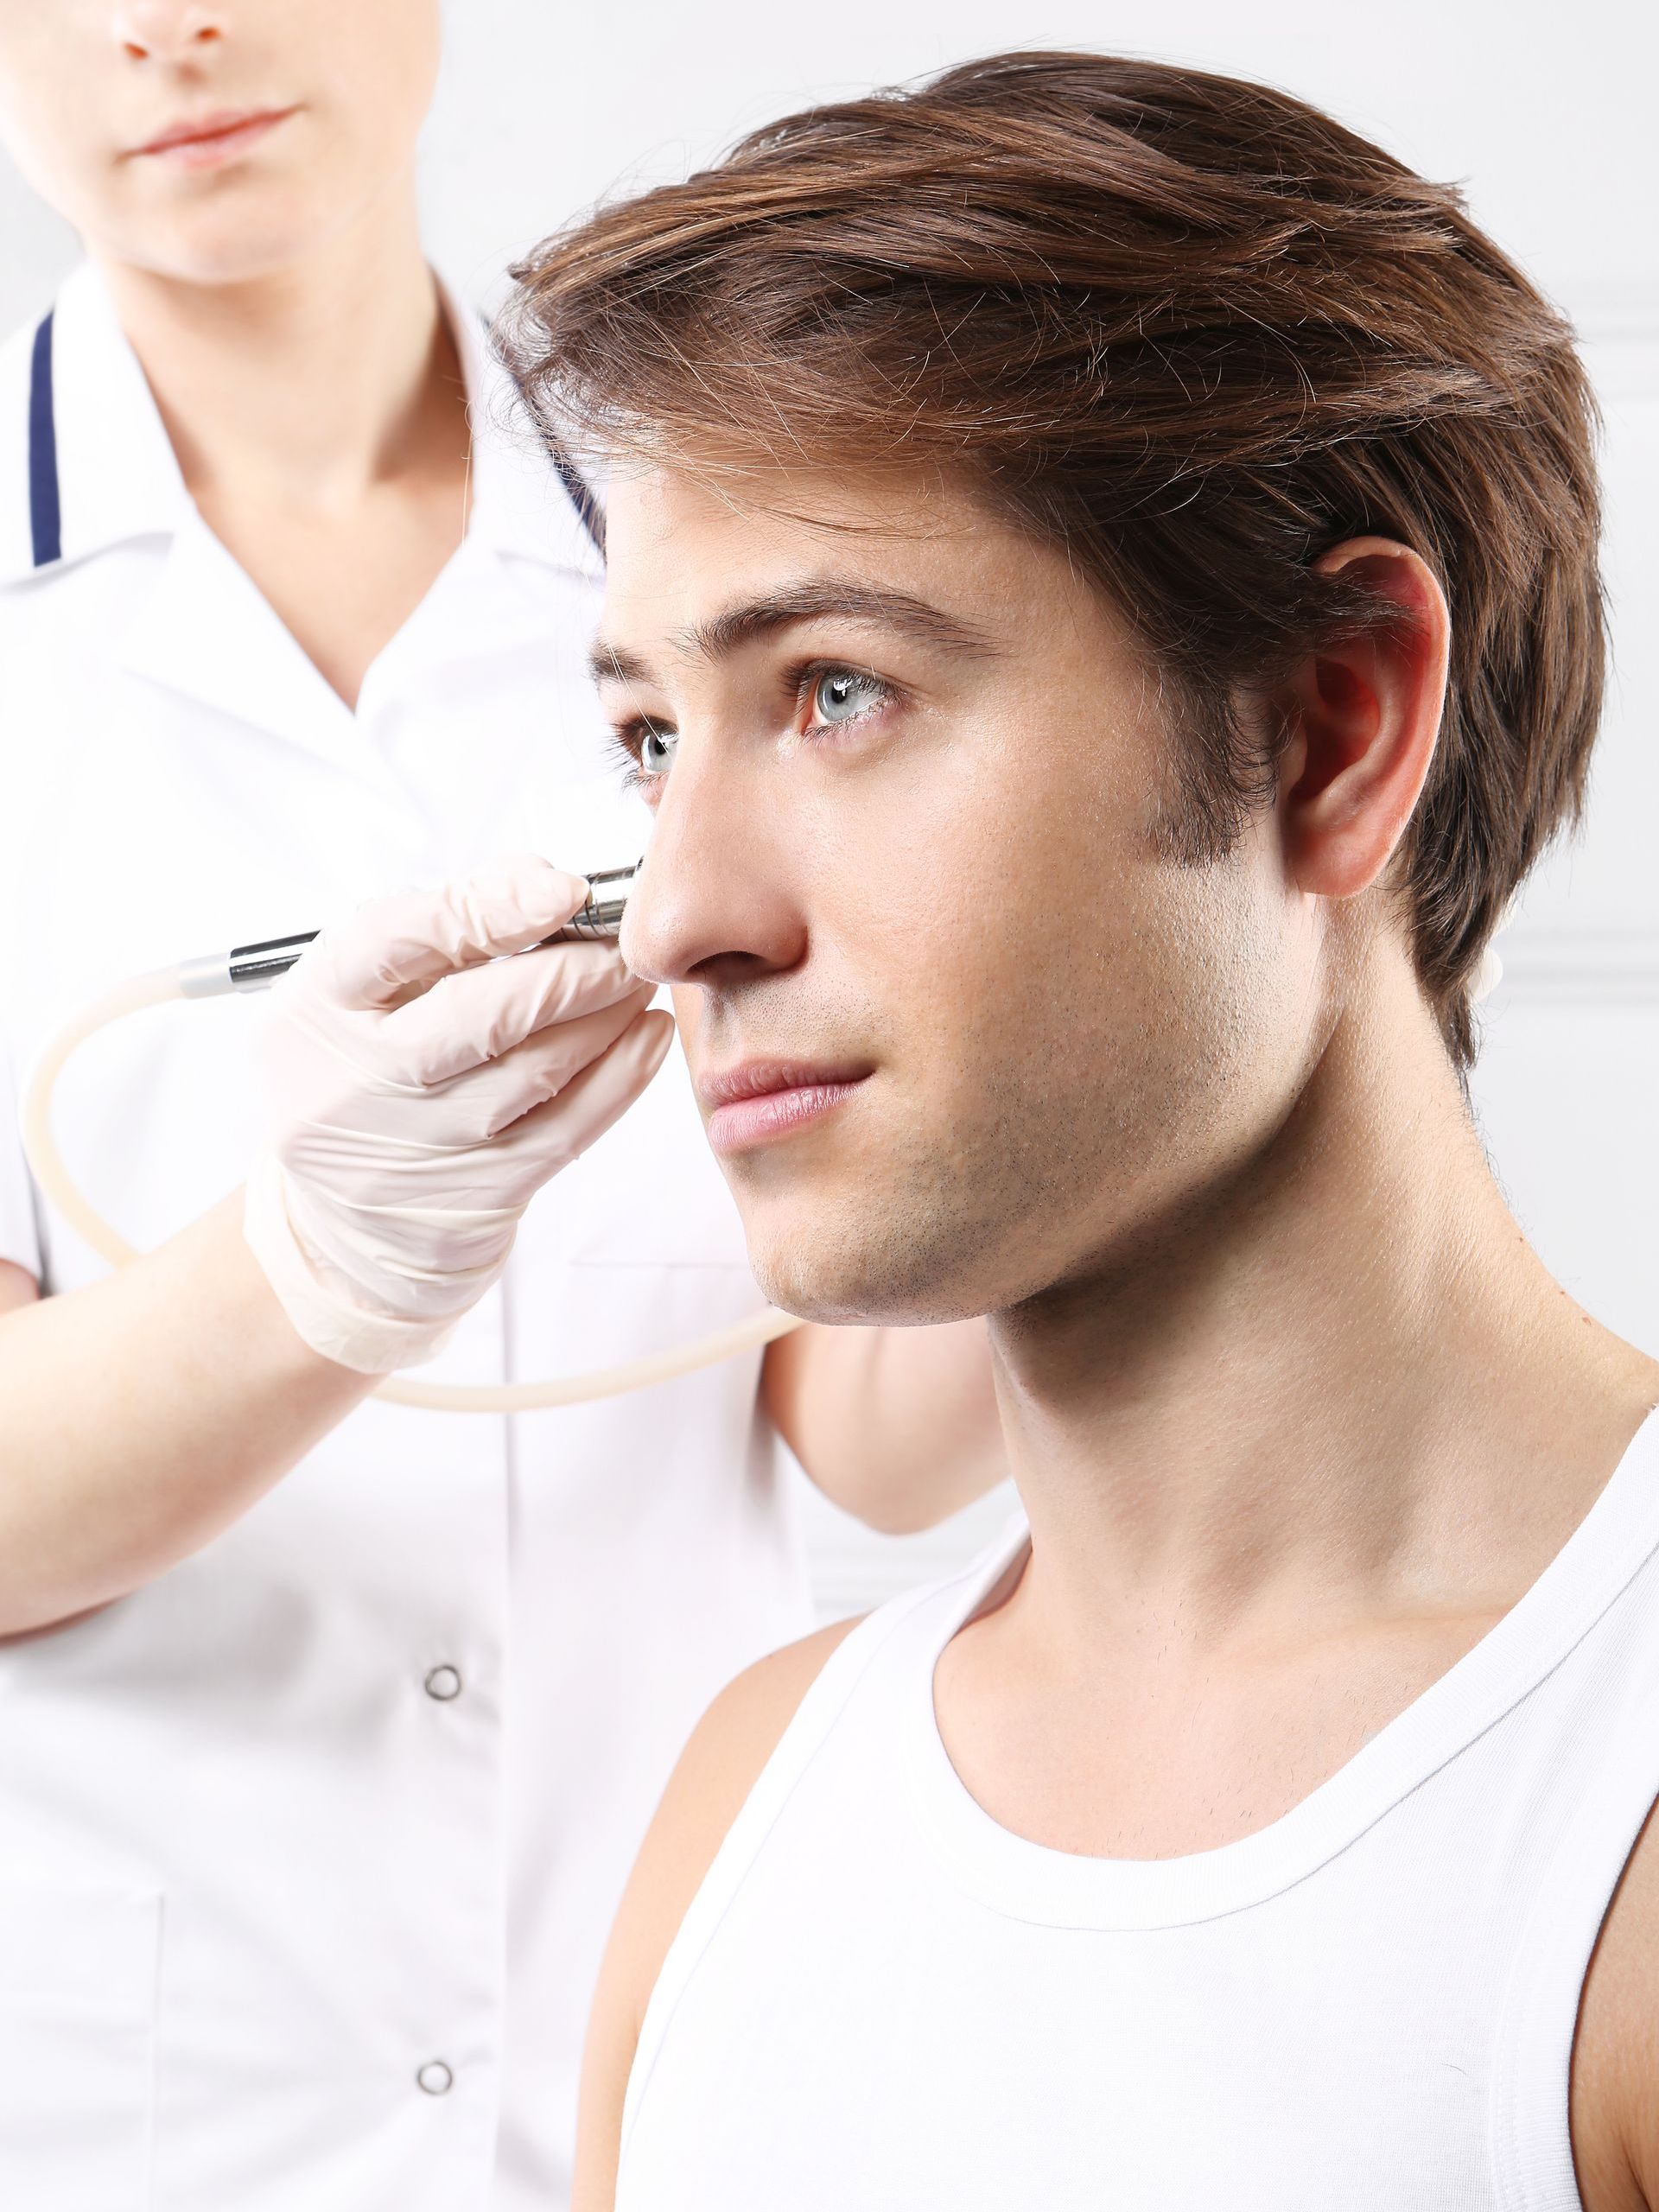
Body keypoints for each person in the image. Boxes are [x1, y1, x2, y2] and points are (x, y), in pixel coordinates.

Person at [498, 49, 1659, 2209]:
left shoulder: (1618, 1812)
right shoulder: (746, 1813)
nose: (678, 917)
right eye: (651, 738)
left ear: (1334, 727)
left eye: (836, 691)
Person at [0, 8, 1001, 2209]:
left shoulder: (731, 523)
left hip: (688, 2038)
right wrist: (321, 1262)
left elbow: (857, 1425)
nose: (163, 28)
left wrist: (1096, 1069)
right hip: (154, 2100)